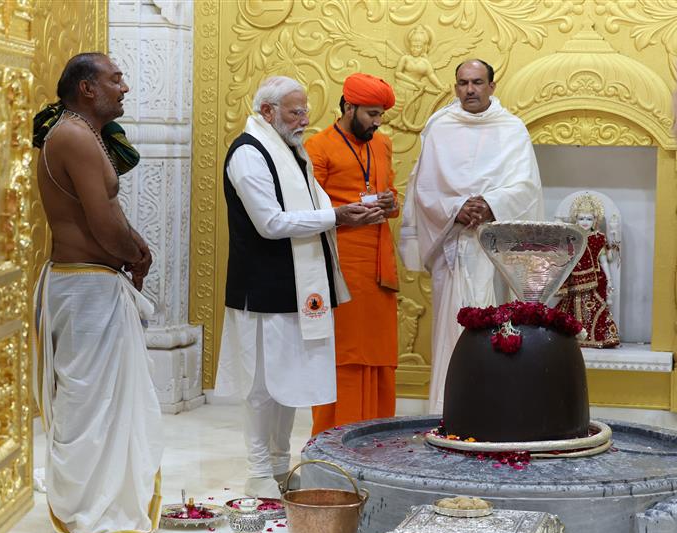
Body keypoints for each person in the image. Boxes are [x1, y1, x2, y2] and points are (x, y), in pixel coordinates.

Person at [214, 76, 383, 498]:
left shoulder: (291, 151)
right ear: (267, 112)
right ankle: (256, 471)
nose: (304, 119)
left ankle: (277, 464)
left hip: (294, 289)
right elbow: (270, 223)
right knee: (259, 387)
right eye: (295, 111)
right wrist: (336, 219)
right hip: (261, 290)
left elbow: (315, 203)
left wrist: (352, 213)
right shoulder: (248, 154)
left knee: (287, 382)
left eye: (306, 110)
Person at [32, 52, 163, 533]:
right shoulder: (72, 136)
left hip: (90, 283)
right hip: (85, 287)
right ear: (87, 89)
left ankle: (103, 500)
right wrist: (136, 255)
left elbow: (107, 211)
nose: (124, 87)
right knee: (88, 406)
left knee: (102, 404)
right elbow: (105, 227)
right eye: (115, 78)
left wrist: (135, 246)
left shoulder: (82, 134)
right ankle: (89, 510)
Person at [399, 59, 544, 413]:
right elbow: (424, 188)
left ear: (492, 86)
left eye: (477, 82)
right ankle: (447, 409)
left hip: (496, 252)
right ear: (454, 87)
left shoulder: (511, 129)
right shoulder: (439, 127)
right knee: (451, 330)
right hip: (454, 245)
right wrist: (456, 209)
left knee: (498, 326)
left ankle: (495, 410)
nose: (470, 90)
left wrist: (490, 204)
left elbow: (526, 188)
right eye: (463, 83)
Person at [305, 73, 399, 436]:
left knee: (379, 357)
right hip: (339, 264)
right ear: (349, 106)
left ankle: (377, 442)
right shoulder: (319, 147)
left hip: (378, 266)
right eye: (371, 114)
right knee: (343, 356)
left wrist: (391, 203)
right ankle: (335, 442)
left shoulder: (383, 144)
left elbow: (390, 194)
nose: (376, 122)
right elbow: (309, 209)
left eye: (380, 116)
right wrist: (345, 213)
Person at [555, 194, 620, 348]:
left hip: (596, 279)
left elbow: (604, 260)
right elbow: (564, 260)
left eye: (589, 219)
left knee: (595, 307)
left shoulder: (598, 238)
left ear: (595, 221)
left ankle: (594, 338)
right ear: (575, 220)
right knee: (571, 306)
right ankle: (572, 337)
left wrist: (610, 280)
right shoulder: (571, 237)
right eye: (581, 218)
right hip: (573, 279)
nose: (585, 222)